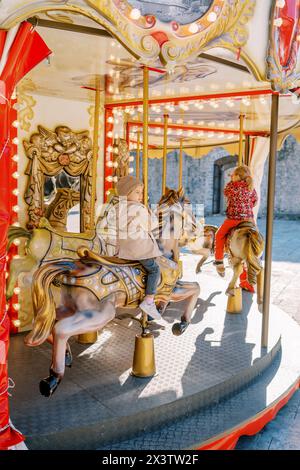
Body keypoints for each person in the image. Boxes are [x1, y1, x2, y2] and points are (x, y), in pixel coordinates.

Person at [100, 175, 163, 320]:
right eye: (137, 192)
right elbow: (151, 225)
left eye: (142, 192)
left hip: (122, 249)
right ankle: (149, 300)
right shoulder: (138, 208)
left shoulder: (115, 207)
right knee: (154, 269)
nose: (141, 196)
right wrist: (149, 212)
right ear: (126, 192)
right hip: (138, 248)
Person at [214, 165, 258, 278]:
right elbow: (254, 202)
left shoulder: (231, 187)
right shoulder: (251, 187)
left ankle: (219, 261)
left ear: (237, 176)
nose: (231, 177)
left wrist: (232, 182)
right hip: (249, 220)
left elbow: (225, 193)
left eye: (232, 175)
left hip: (234, 219)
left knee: (219, 235)